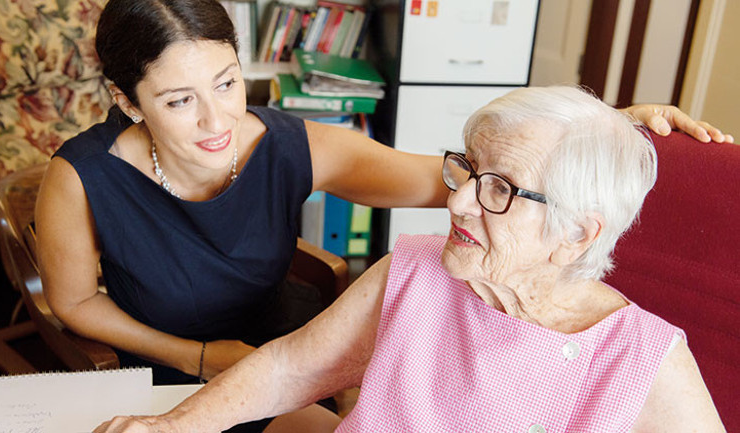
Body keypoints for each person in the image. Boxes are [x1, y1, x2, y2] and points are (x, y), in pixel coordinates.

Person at [36, 0, 730, 430]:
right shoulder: (81, 175)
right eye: (179, 99)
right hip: (174, 360)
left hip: (264, 346)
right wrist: (192, 379)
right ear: (130, 102)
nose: (218, 119)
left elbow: (447, 180)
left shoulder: (288, 143)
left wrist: (596, 136)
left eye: (226, 84)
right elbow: (77, 304)